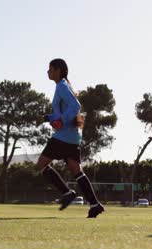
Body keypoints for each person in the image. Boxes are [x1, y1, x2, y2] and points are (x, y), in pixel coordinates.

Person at [36, 58, 104, 218]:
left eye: (50, 69)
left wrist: (60, 121)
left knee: (41, 165)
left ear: (58, 70)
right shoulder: (63, 85)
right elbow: (63, 112)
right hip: (72, 137)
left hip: (63, 137)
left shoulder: (61, 86)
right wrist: (47, 118)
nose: (48, 72)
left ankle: (67, 192)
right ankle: (95, 205)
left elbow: (76, 106)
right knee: (76, 170)